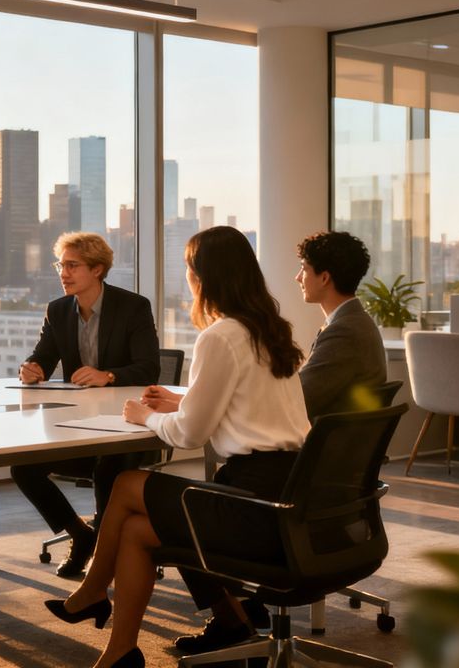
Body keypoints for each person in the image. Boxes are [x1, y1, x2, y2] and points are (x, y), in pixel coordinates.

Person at [45, 225, 310, 668]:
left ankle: (93, 590)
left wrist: (146, 416)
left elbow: (188, 435)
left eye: (189, 268)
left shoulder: (221, 335)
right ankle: (121, 651)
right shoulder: (267, 329)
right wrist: (184, 399)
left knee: (129, 482)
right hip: (286, 488)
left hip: (251, 500)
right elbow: (254, 402)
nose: (186, 277)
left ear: (203, 276)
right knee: (135, 532)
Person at [10, 232, 161, 577]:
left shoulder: (133, 307)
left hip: (124, 427)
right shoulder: (58, 310)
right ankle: (81, 535)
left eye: (72, 265)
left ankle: (105, 563)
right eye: (61, 265)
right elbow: (42, 360)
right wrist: (30, 369)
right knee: (23, 467)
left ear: (97, 269)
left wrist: (107, 375)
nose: (63, 273)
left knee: (108, 468)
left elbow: (148, 367)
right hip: (77, 425)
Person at [295, 230, 387, 421]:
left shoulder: (344, 332)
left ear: (324, 278)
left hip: (324, 445)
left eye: (304, 269)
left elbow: (300, 399)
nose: (298, 277)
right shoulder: (356, 321)